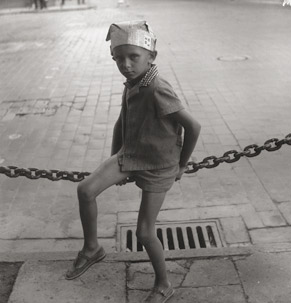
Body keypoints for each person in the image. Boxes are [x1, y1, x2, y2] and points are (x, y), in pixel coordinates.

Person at [65, 20, 201, 303]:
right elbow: (121, 122)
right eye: (118, 58)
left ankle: (163, 284)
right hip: (131, 155)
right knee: (85, 190)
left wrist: (182, 164)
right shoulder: (135, 82)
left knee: (144, 232)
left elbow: (193, 126)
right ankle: (92, 249)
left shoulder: (157, 88)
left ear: (151, 57)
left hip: (158, 166)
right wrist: (117, 157)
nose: (125, 64)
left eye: (133, 57)